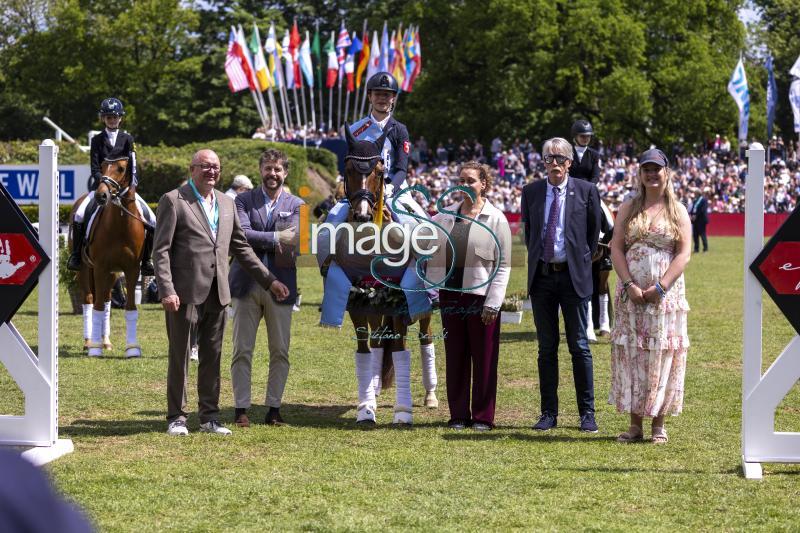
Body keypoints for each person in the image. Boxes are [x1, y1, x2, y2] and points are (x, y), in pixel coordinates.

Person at [153, 149, 290, 436]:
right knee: (180, 356)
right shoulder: (173, 200)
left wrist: (269, 281)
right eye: (205, 166)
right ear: (192, 169)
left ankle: (209, 418)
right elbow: (161, 250)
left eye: (216, 167)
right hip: (184, 293)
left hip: (219, 292)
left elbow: (240, 247)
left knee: (212, 356)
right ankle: (177, 418)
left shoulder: (227, 203)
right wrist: (167, 288)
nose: (212, 171)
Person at [609, 148, 691, 444]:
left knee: (661, 353)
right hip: (630, 294)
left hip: (664, 297)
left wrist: (661, 286)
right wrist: (629, 283)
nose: (652, 174)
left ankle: (658, 424)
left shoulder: (677, 210)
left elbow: (684, 253)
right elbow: (616, 247)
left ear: (666, 172)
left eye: (657, 168)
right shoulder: (629, 206)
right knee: (633, 353)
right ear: (639, 174)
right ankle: (634, 425)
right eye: (646, 169)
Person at [521, 137, 601, 433]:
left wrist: (579, 261)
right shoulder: (531, 192)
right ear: (543, 163)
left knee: (579, 346)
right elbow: (529, 233)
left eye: (560, 159)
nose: (554, 164)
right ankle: (548, 413)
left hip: (573, 277)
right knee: (546, 348)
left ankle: (587, 413)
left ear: (570, 163)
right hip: (542, 277)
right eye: (549, 159)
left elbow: (593, 236)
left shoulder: (587, 191)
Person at [427, 162, 511, 431]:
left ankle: (483, 416)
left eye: (471, 181)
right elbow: (426, 247)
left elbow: (504, 264)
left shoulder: (496, 218)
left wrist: (494, 302)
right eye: (461, 180)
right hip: (450, 296)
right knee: (455, 356)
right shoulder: (444, 215)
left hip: (480, 298)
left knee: (484, 358)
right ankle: (459, 414)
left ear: (484, 183)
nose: (464, 185)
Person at [229, 149, 303, 427]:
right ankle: (240, 409)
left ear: (285, 173)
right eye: (268, 168)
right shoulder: (242, 200)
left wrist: (269, 239)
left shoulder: (298, 204)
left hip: (282, 286)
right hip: (246, 283)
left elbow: (295, 238)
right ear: (260, 170)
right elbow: (242, 234)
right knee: (241, 350)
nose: (272, 174)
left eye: (278, 170)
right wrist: (275, 237)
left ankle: (274, 408)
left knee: (280, 351)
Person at [68, 97, 156, 275]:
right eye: (108, 117)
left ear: (120, 118)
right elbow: (94, 167)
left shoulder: (128, 139)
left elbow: (133, 167)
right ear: (103, 119)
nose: (112, 120)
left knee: (152, 220)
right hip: (101, 188)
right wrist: (104, 182)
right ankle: (77, 255)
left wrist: (132, 186)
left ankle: (147, 260)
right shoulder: (97, 140)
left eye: (115, 117)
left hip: (124, 190)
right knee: (78, 214)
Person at [569, 119, 601, 184]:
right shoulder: (567, 152)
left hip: (588, 189)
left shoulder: (594, 154)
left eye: (588, 136)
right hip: (570, 188)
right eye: (582, 136)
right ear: (575, 136)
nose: (586, 139)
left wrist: (588, 189)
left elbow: (595, 176)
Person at [689, 187, 709, 252]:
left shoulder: (703, 200)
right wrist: (691, 215)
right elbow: (693, 209)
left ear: (698, 193)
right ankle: (696, 249)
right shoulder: (695, 200)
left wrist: (696, 216)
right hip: (695, 220)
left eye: (695, 193)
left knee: (702, 234)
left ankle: (705, 249)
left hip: (701, 220)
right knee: (695, 235)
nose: (694, 194)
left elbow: (703, 210)